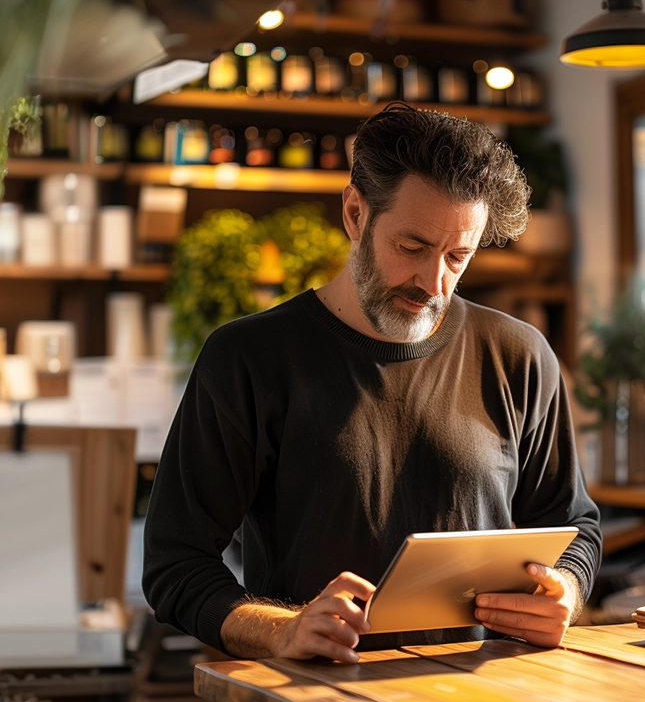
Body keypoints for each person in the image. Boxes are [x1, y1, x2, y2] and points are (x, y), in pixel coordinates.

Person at [143, 103, 601, 663]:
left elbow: (574, 525)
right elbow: (174, 563)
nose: (433, 282)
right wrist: (282, 629)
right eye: (411, 248)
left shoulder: (518, 354)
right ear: (356, 213)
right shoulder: (249, 357)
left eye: (458, 257)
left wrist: (567, 591)